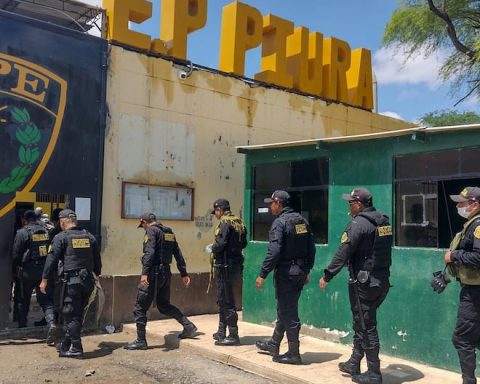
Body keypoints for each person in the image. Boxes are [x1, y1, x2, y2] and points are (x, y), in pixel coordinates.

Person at [319, 188, 392, 384]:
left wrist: (327, 275)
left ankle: (374, 374)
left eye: (350, 203)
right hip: (381, 281)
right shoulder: (383, 221)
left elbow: (343, 252)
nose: (348, 207)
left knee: (367, 326)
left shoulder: (358, 224)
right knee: (361, 321)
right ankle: (354, 362)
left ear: (358, 205)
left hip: (364, 284)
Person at [255, 190, 316, 365]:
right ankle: (274, 344)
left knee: (289, 312)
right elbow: (311, 248)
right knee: (284, 308)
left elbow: (274, 252)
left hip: (287, 273)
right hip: (299, 272)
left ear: (279, 204)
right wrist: (307, 269)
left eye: (272, 203)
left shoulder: (279, 223)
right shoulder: (302, 221)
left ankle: (294, 353)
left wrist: (263, 274)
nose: (270, 206)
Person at [125, 212, 197, 350]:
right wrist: (184, 273)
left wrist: (144, 273)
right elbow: (178, 253)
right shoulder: (169, 232)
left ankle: (141, 340)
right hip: (166, 274)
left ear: (145, 222)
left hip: (153, 274)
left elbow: (149, 253)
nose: (144, 228)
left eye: (143, 226)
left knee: (139, 307)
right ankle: (188, 326)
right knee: (164, 305)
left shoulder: (151, 231)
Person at [40, 209, 102, 358]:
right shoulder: (89, 236)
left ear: (62, 222)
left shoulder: (61, 237)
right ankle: (66, 344)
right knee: (77, 313)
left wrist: (44, 280)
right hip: (88, 282)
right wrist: (96, 276)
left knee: (70, 313)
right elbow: (97, 262)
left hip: (71, 282)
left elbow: (51, 260)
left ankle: (77, 348)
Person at [445, 187, 480, 384]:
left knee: (462, 339)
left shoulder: (477, 226)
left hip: (475, 293)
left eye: (462, 203)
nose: (458, 206)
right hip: (473, 289)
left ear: (475, 205)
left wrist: (453, 255)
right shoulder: (472, 224)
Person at [12, 210, 57, 341]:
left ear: (24, 220)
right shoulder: (46, 231)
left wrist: (14, 271)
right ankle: (52, 323)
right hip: (44, 272)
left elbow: (16, 254)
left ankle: (22, 328)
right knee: (46, 300)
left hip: (26, 272)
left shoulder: (22, 232)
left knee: (23, 299)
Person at [208, 198, 247, 346]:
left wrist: (212, 247)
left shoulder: (224, 223)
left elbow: (220, 244)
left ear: (220, 210)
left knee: (226, 299)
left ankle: (233, 335)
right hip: (235, 266)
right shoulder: (239, 223)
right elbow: (244, 243)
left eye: (216, 211)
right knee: (223, 298)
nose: (216, 215)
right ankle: (221, 331)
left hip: (223, 266)